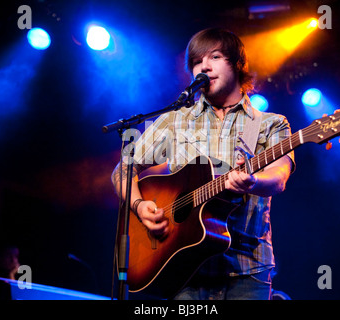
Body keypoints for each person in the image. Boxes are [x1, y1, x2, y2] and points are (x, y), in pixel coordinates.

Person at [111, 28, 295, 300]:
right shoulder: (174, 120)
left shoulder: (270, 124)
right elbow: (123, 170)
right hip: (184, 270)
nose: (204, 66)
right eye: (197, 61)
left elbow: (278, 177)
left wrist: (253, 182)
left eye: (216, 57)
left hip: (248, 269)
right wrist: (139, 205)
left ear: (238, 64)